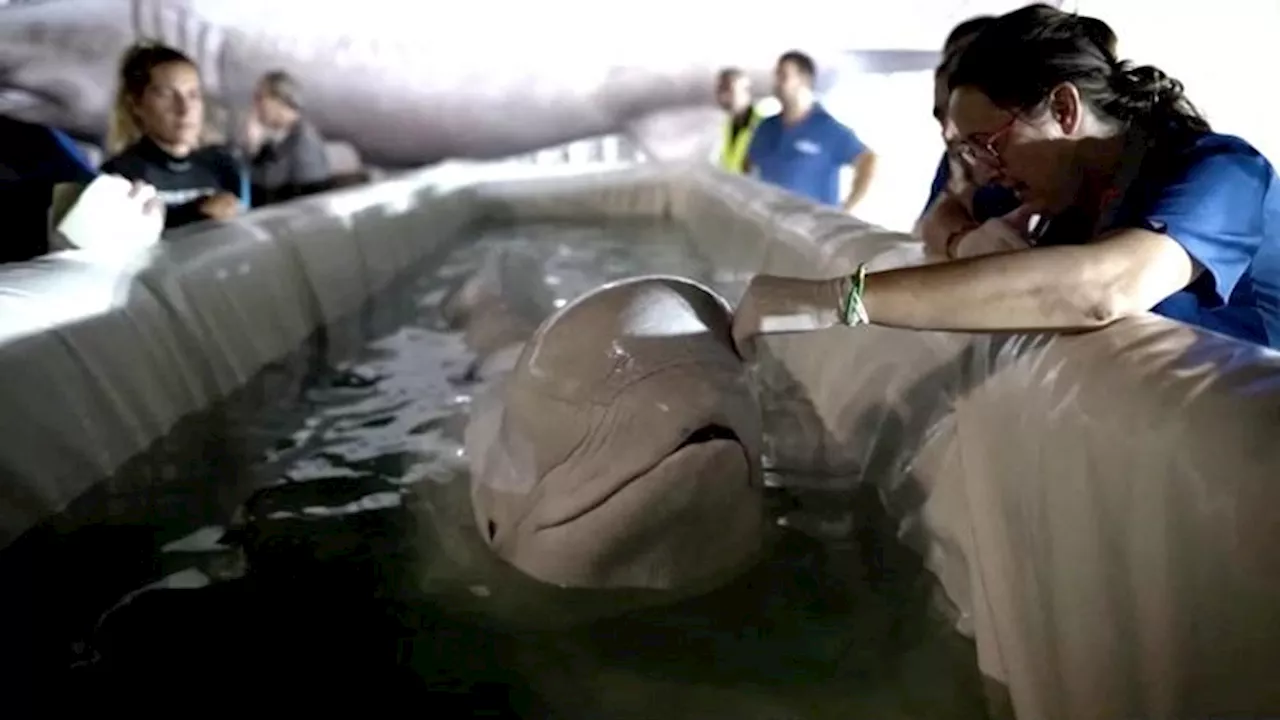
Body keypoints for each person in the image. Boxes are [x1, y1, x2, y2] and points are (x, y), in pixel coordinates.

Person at [731, 6, 1280, 351]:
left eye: (986, 145)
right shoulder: (1059, 186)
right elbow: (938, 220)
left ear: (1064, 110)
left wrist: (840, 298)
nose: (981, 168)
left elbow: (1101, 289)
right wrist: (964, 239)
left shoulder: (1220, 173)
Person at [101, 43, 247, 230]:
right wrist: (196, 213)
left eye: (193, 95)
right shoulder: (119, 177)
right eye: (167, 95)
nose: (184, 109)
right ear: (136, 104)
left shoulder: (223, 167)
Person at [747, 51, 877, 212]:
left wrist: (846, 207)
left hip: (810, 230)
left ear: (804, 80)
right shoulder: (766, 127)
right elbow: (749, 167)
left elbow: (868, 160)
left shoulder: (827, 129)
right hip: (770, 226)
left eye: (783, 76)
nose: (777, 83)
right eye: (777, 76)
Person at [242, 70, 332, 206]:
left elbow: (264, 192)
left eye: (260, 97)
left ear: (281, 101)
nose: (255, 105)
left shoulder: (304, 144)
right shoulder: (280, 139)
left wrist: (252, 150)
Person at [714, 67, 762, 174]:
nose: (722, 96)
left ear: (746, 91)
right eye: (719, 90)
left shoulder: (762, 125)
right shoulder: (727, 126)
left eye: (728, 89)